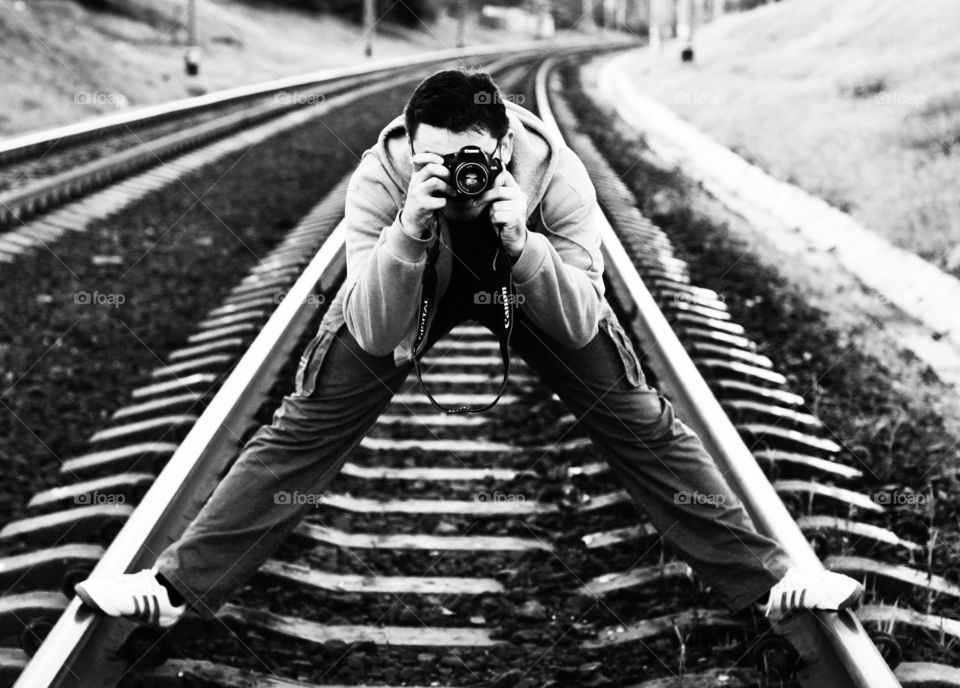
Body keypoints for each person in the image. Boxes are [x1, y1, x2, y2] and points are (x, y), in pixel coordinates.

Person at [75, 69, 863, 630]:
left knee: (636, 411)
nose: (453, 176)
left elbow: (586, 321)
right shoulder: (382, 176)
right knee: (305, 417)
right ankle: (174, 588)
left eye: (468, 163)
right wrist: (409, 233)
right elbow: (377, 331)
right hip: (416, 273)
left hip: (528, 272)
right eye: (433, 162)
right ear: (408, 148)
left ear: (504, 145)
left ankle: (774, 581)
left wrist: (522, 242)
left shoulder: (555, 173)